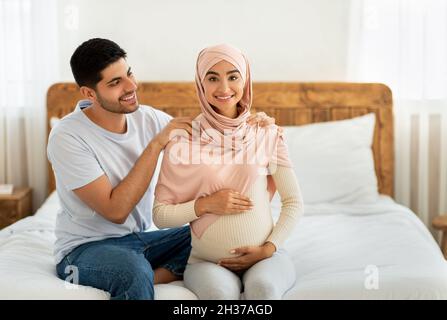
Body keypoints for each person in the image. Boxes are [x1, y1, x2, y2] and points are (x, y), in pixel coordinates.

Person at [47, 38, 275, 300]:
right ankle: (144, 273)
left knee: (212, 237)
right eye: (115, 83)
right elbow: (115, 211)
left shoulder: (149, 117)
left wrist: (249, 125)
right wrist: (156, 144)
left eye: (128, 73)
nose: (131, 86)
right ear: (89, 94)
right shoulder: (67, 136)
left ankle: (153, 274)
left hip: (143, 240)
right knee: (131, 272)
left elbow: (208, 139)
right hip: (84, 250)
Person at [153, 44, 304, 299]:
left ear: (245, 81)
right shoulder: (182, 140)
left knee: (264, 290)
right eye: (213, 78)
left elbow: (293, 202)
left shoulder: (265, 133)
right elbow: (160, 215)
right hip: (208, 263)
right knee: (218, 296)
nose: (224, 88)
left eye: (233, 77)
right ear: (201, 84)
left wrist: (268, 249)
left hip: (265, 257)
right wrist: (205, 205)